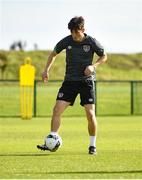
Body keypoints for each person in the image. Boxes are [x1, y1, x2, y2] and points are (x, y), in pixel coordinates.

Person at [37, 16, 107, 155]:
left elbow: (104, 56)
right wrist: (46, 70)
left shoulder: (92, 42)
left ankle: (92, 146)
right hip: (69, 81)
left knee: (90, 113)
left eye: (76, 32)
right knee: (57, 110)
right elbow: (53, 54)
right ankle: (52, 139)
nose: (74, 35)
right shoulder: (67, 40)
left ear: (83, 29)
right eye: (72, 32)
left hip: (87, 82)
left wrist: (93, 66)